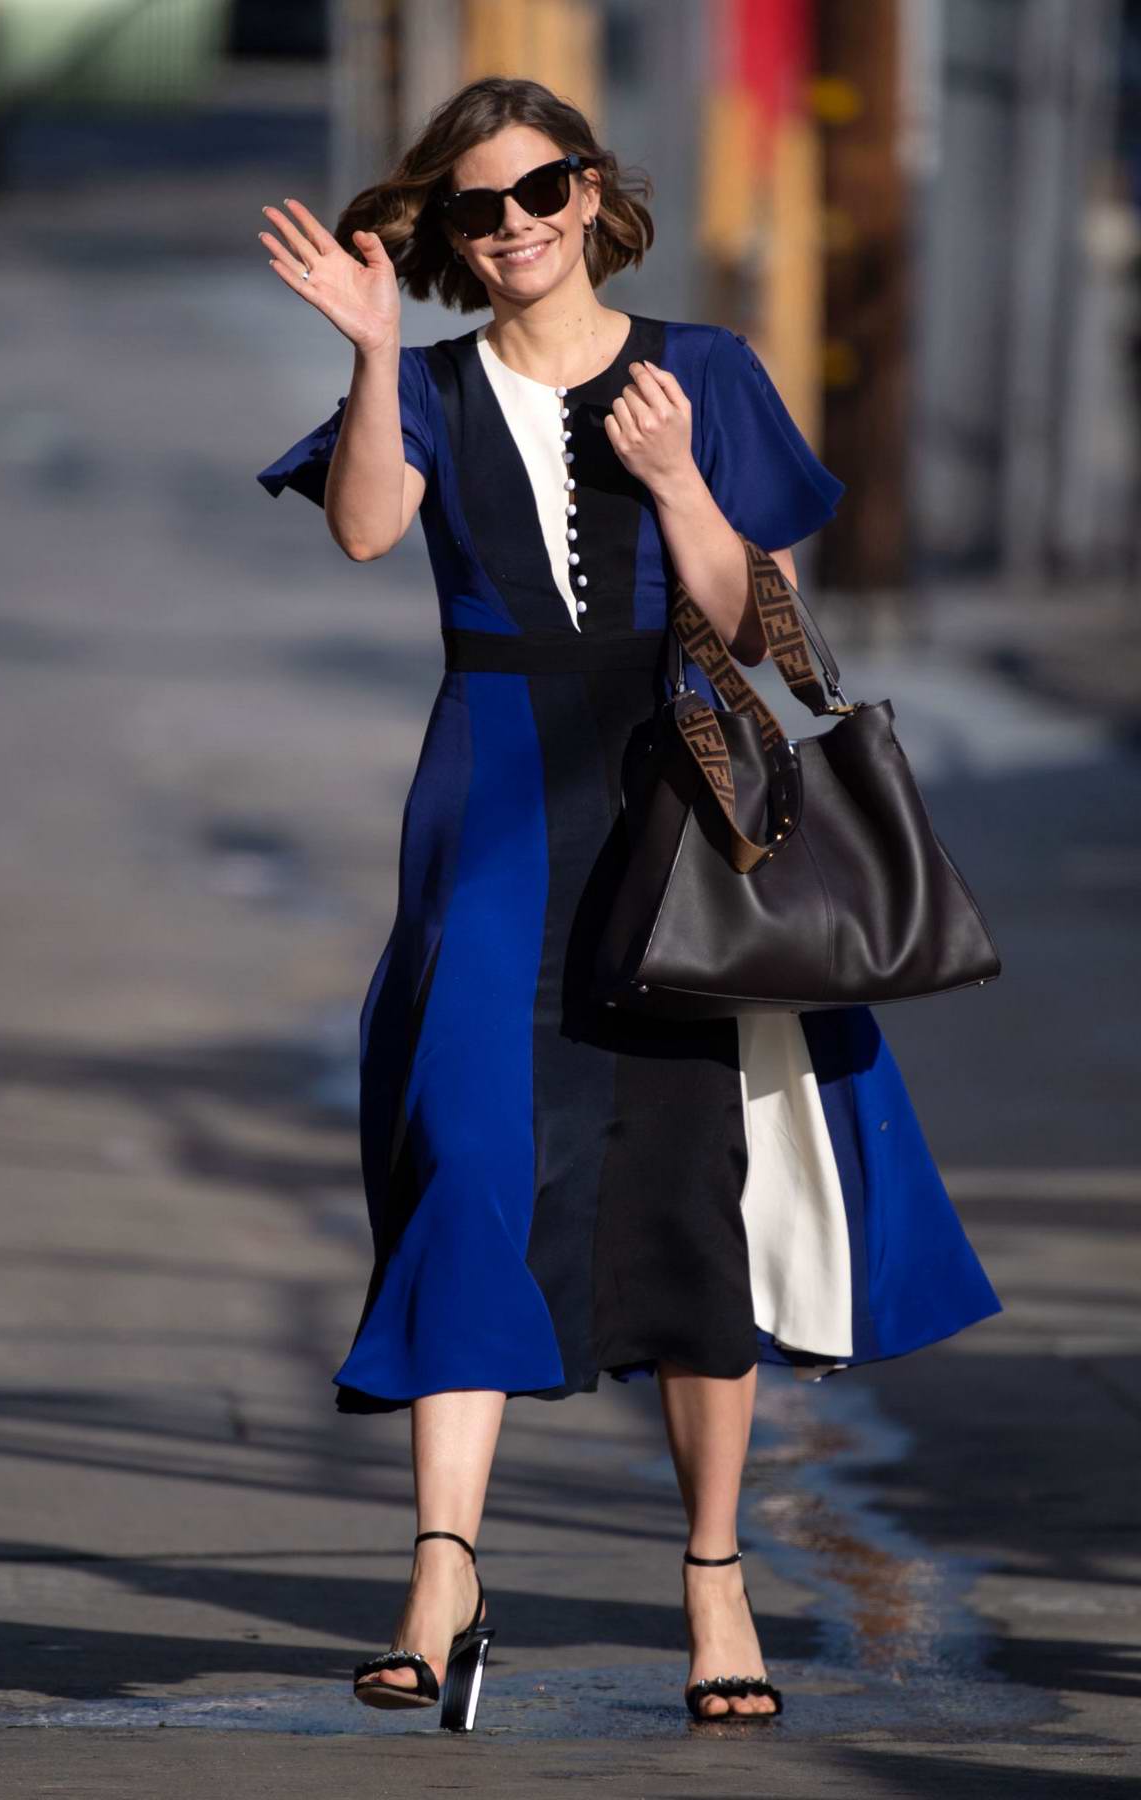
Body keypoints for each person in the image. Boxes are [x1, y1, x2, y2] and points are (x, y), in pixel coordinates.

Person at [256, 75, 1002, 1731]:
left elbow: (758, 627)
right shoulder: (434, 385)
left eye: (541, 192)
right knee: (467, 1153)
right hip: (496, 794)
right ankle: (443, 1566)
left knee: (688, 1188)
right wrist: (374, 353)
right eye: (476, 209)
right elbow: (373, 532)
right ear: (442, 231)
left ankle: (715, 1584)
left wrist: (678, 486)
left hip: (682, 806)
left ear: (593, 194)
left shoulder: (704, 371)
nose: (513, 227)